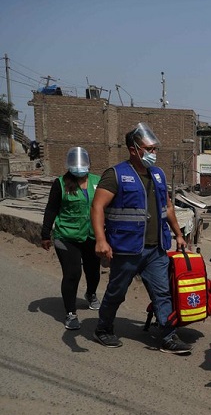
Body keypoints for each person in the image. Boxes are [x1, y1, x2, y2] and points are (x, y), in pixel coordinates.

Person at [91, 122, 191, 354]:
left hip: (155, 249)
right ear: (133, 149)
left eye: (155, 149)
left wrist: (178, 234)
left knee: (162, 292)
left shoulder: (158, 174)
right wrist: (100, 239)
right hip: (126, 248)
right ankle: (103, 329)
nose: (153, 154)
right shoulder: (115, 174)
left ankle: (168, 335)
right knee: (117, 292)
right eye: (149, 149)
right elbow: (97, 206)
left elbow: (167, 207)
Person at [41, 147, 102, 330]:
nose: (79, 168)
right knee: (72, 273)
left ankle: (91, 294)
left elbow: (105, 207)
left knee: (93, 271)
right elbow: (51, 209)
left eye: (82, 164)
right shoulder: (60, 183)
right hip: (66, 236)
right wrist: (45, 234)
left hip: (91, 235)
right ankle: (70, 313)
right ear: (69, 166)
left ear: (88, 164)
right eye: (75, 165)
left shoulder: (97, 182)